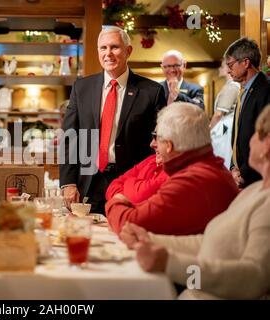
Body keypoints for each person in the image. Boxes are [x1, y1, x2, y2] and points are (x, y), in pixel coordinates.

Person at [121, 104, 270, 300]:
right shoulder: (254, 191)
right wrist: (149, 239)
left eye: (256, 132)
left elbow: (253, 282)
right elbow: (210, 243)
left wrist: (169, 264)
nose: (249, 139)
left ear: (267, 144)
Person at [59, 26, 166, 214]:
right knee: (86, 236)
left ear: (128, 51)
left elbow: (160, 142)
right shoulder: (82, 88)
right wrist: (68, 182)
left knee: (125, 236)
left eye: (115, 47)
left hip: (131, 184)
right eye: (103, 48)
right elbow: (70, 137)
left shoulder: (152, 92)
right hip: (88, 183)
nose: (108, 53)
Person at [106, 103, 239, 235]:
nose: (152, 144)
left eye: (156, 138)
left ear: (169, 145)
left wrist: (115, 202)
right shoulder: (208, 168)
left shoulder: (191, 180)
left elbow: (129, 224)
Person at [224, 37, 270, 188]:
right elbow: (239, 134)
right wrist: (233, 167)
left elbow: (264, 135)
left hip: (258, 177)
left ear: (245, 62)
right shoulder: (243, 90)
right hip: (243, 175)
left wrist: (243, 172)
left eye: (230, 65)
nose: (228, 71)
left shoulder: (266, 89)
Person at [105, 132, 168, 204]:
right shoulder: (151, 159)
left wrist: (129, 182)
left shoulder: (175, 171)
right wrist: (133, 191)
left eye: (158, 138)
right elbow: (111, 187)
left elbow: (138, 198)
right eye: (153, 137)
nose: (152, 144)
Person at [209, 59, 240, 169]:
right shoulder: (232, 85)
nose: (219, 69)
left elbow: (219, 113)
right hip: (226, 125)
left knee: (223, 153)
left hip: (225, 127)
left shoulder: (232, 86)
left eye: (222, 66)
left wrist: (209, 130)